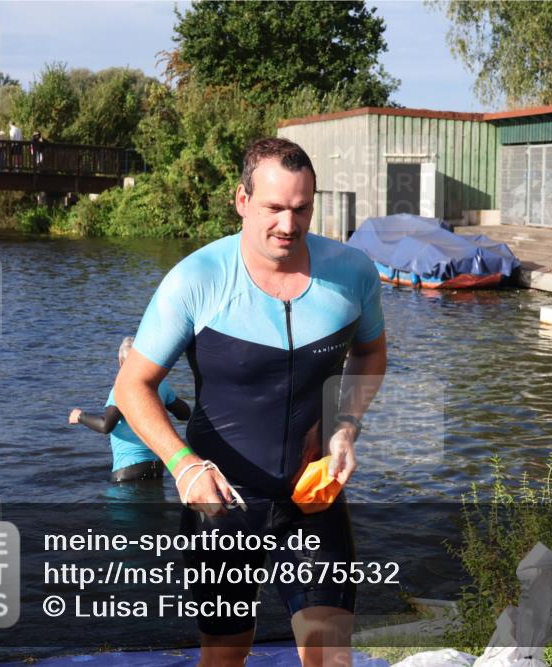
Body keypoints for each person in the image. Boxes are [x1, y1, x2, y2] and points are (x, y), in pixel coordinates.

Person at [114, 137, 387, 667]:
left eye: (302, 209)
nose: (289, 224)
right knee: (225, 656)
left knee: (331, 657)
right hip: (223, 506)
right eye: (274, 208)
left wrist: (345, 424)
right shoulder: (196, 279)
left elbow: (371, 353)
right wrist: (183, 466)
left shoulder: (352, 273)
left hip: (314, 498)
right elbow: (132, 386)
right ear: (242, 200)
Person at [69, 336, 191, 483]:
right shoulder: (160, 385)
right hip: (156, 469)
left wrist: (80, 416)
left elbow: (106, 425)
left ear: (121, 363)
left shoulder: (121, 389)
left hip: (128, 472)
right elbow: (185, 414)